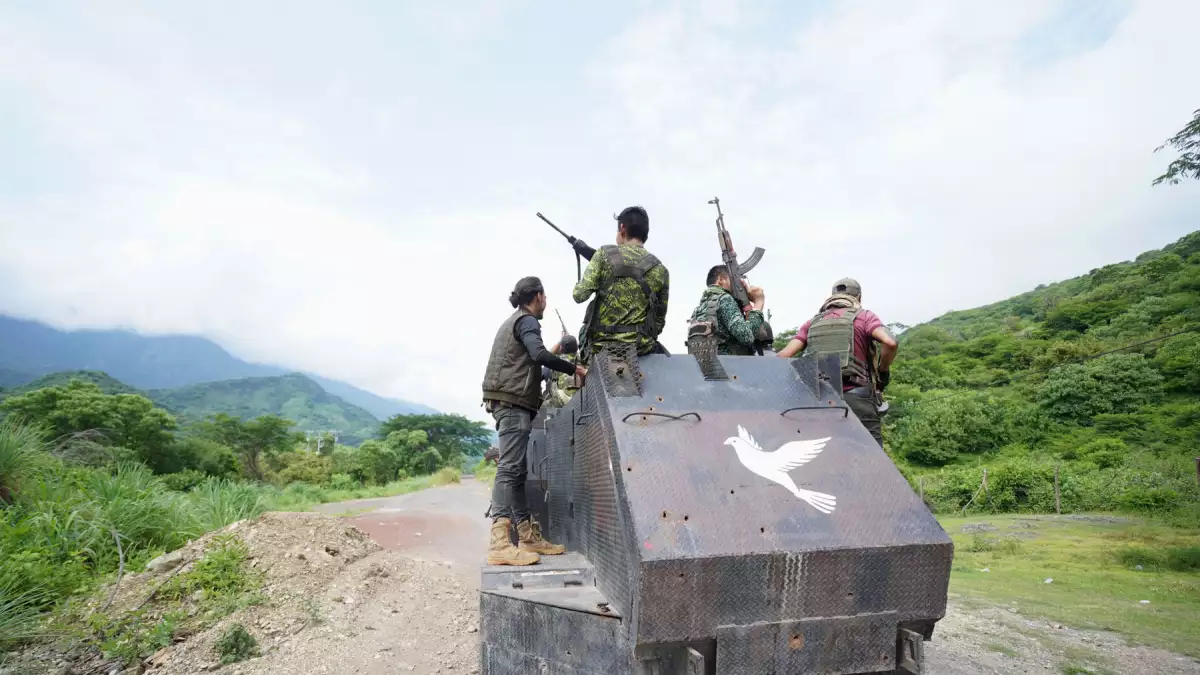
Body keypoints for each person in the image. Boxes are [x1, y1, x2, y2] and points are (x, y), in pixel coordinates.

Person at [481, 276, 588, 566]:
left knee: (516, 472)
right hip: (513, 402)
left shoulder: (514, 321)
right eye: (545, 297)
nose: (546, 302)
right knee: (510, 469)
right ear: (538, 296)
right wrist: (574, 368)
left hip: (510, 401)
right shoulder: (527, 321)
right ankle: (500, 543)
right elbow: (538, 354)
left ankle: (527, 535)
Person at [776, 278, 897, 446]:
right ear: (858, 298)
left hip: (817, 403)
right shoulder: (865, 317)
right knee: (871, 464)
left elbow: (783, 356)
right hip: (857, 400)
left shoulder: (812, 323)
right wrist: (883, 372)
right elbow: (890, 343)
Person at [572, 206, 669, 361]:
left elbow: (579, 295)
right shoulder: (660, 269)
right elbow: (659, 322)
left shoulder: (603, 254)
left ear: (622, 228)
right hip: (639, 348)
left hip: (601, 348)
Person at [688, 264, 767, 355]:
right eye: (733, 280)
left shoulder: (699, 308)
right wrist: (758, 302)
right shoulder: (725, 299)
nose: (737, 284)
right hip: (730, 366)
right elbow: (746, 336)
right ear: (721, 279)